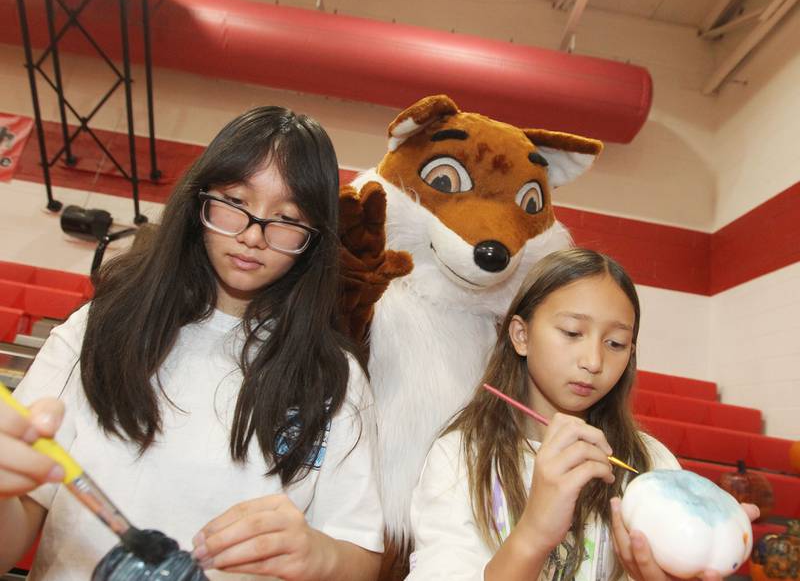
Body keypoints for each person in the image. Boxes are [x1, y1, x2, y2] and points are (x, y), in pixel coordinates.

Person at [0, 106, 383, 581]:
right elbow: (15, 529)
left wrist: (319, 556)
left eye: (286, 218)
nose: (251, 235)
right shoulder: (101, 327)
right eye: (236, 201)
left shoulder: (333, 378)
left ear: (315, 239)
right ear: (198, 200)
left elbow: (362, 554)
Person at [405, 247, 757, 581]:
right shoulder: (461, 458)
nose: (593, 361)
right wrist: (534, 534)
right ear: (521, 335)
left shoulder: (650, 462)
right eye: (573, 332)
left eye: (616, 343)